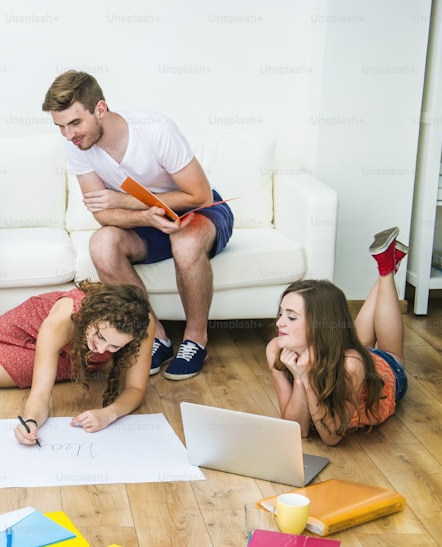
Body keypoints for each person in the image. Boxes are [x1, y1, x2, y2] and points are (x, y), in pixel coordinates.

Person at [41, 70, 235, 381]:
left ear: (100, 109)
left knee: (184, 242)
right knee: (101, 244)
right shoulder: (76, 145)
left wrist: (131, 203)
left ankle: (195, 340)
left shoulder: (155, 130)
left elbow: (198, 193)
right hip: (151, 222)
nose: (68, 135)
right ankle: (154, 336)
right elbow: (103, 214)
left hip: (198, 209)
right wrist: (146, 217)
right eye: (60, 126)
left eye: (75, 123)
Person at [0, 281, 153, 445]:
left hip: (70, 354)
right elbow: (40, 396)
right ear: (92, 318)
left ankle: (7, 351)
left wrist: (109, 414)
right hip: (34, 324)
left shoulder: (142, 326)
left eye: (114, 347)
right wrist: (32, 419)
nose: (100, 350)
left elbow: (136, 388)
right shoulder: (61, 322)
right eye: (100, 336)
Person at [266, 227, 409, 446]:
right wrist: (299, 378)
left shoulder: (351, 364)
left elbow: (331, 437)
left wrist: (309, 377)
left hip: (383, 371)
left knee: (391, 353)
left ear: (319, 325)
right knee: (361, 343)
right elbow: (297, 429)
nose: (279, 323)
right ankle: (386, 264)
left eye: (291, 317)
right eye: (281, 313)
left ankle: (387, 268)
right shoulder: (275, 349)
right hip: (341, 351)